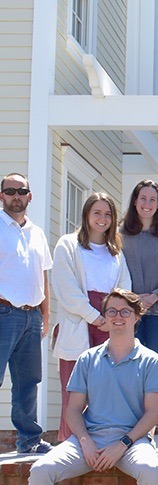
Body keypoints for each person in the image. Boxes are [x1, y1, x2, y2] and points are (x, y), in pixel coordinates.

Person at [15, 289, 158, 485]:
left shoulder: (151, 360)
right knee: (41, 470)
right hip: (88, 439)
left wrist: (121, 445)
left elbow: (152, 415)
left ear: (137, 317)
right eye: (112, 311)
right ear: (105, 319)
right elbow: (73, 410)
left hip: (132, 441)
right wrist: (84, 441)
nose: (118, 317)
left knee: (150, 470)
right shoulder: (88, 358)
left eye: (125, 311)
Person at [52, 192, 131, 442]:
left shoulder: (115, 252)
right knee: (74, 392)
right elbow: (67, 290)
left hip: (110, 323)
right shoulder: (68, 245)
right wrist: (96, 318)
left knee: (106, 391)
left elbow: (124, 287)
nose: (102, 218)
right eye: (97, 212)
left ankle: (103, 443)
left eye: (108, 214)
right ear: (86, 214)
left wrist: (115, 319)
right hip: (81, 323)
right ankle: (70, 447)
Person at [0, 172, 53, 454]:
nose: (16, 196)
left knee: (28, 381)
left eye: (21, 191)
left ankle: (29, 440)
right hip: (3, 312)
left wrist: (46, 315)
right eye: (10, 191)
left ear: (29, 196)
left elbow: (42, 276)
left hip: (32, 317)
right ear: (1, 195)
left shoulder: (37, 233)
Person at [120, 180, 158, 361]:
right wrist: (133, 298)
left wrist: (155, 295)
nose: (147, 204)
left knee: (154, 367)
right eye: (143, 198)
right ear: (135, 201)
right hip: (128, 312)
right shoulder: (120, 235)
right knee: (130, 367)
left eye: (152, 200)